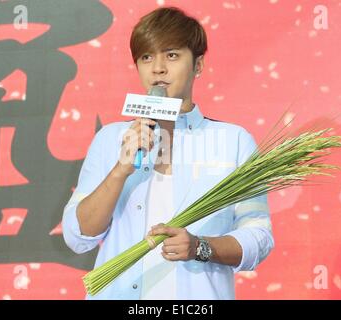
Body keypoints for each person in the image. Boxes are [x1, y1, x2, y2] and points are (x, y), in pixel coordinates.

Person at [62, 6, 274, 300]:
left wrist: (200, 247)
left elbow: (258, 238)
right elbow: (77, 236)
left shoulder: (233, 141)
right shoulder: (110, 139)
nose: (157, 68)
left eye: (171, 55)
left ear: (198, 65)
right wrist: (121, 169)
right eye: (147, 57)